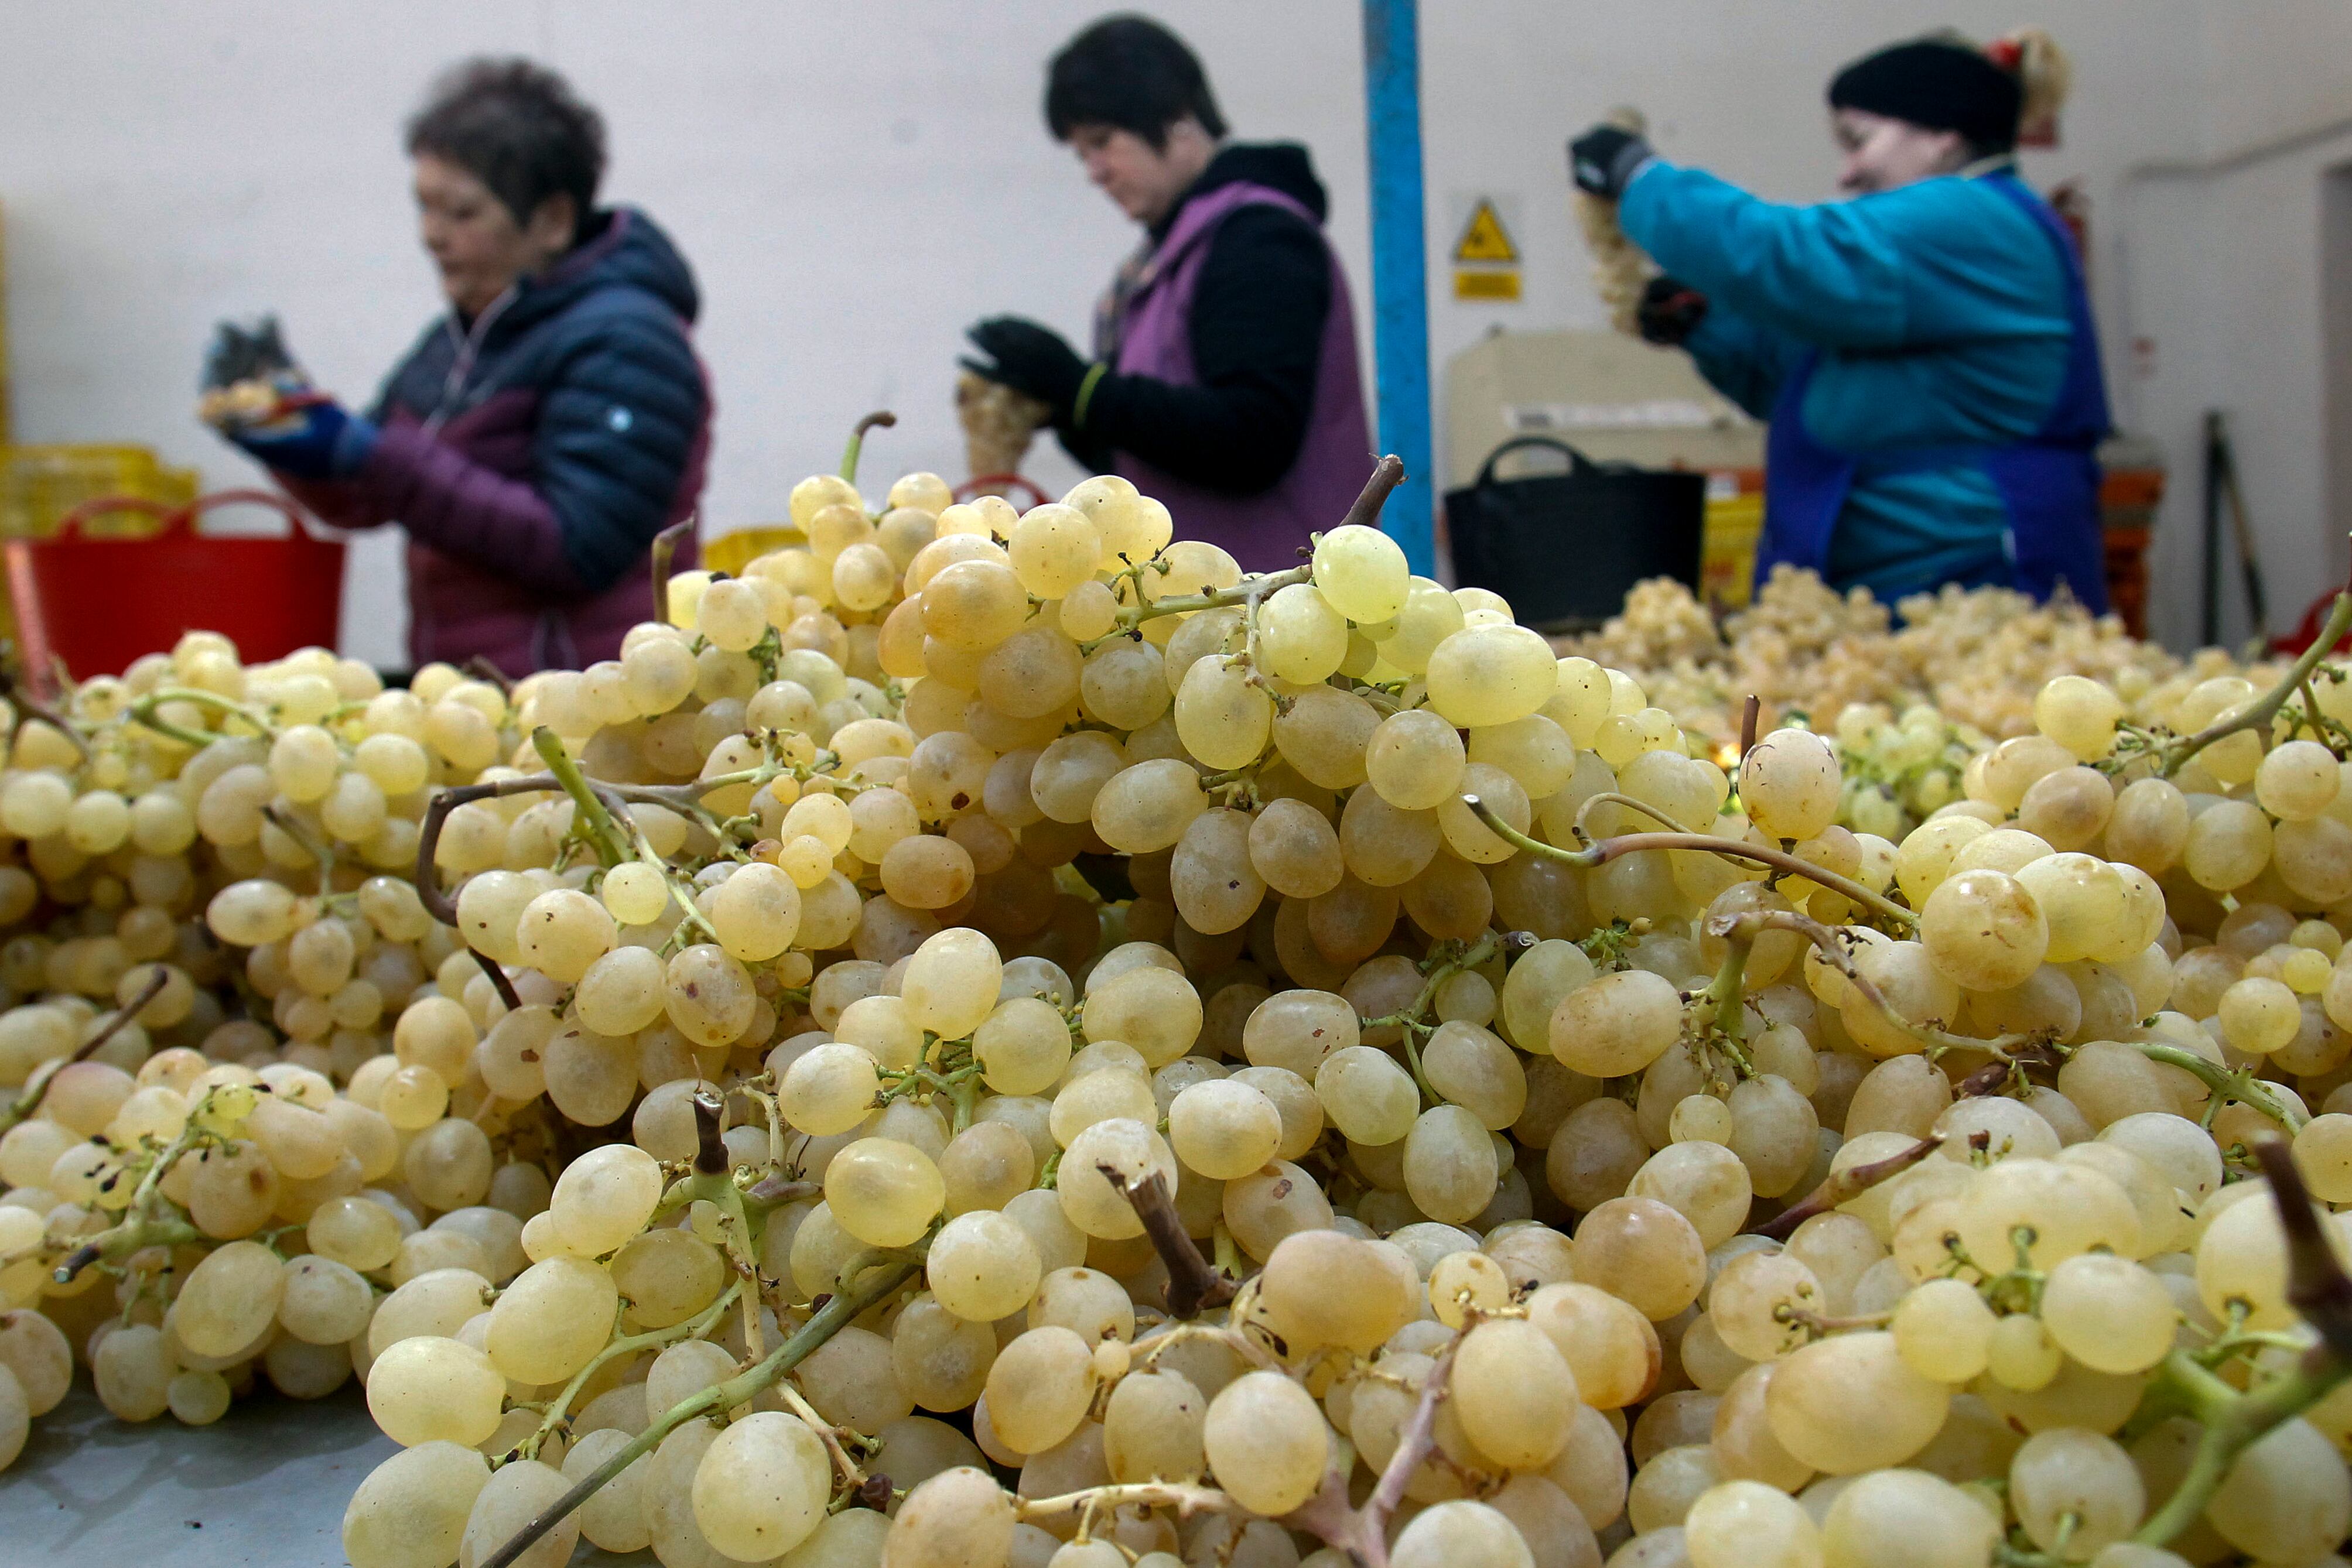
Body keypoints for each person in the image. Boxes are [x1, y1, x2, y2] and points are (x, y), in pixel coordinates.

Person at [1569, 30, 2109, 611]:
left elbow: (1781, 254)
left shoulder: (1977, 220)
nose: (1846, 173)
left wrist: (1641, 179)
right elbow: (1809, 382)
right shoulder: (1928, 257)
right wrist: (1701, 324)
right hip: (1885, 595)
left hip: (1970, 589)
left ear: (1940, 134)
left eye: (1858, 140)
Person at [206, 58, 711, 673]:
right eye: (425, 207)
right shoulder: (456, 340)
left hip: (584, 711)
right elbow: (373, 494)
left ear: (551, 221)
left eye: (462, 213)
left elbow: (578, 547)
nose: (431, 235)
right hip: (470, 703)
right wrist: (287, 428)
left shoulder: (627, 341)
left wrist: (371, 452)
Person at [961, 15, 1371, 574]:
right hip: (1190, 606)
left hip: (1277, 606)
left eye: (1102, 142)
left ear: (1176, 119)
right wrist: (1062, 407)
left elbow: (1253, 440)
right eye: (1082, 154)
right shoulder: (1156, 267)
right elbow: (1149, 465)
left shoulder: (1257, 241)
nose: (1095, 172)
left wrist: (1084, 388)